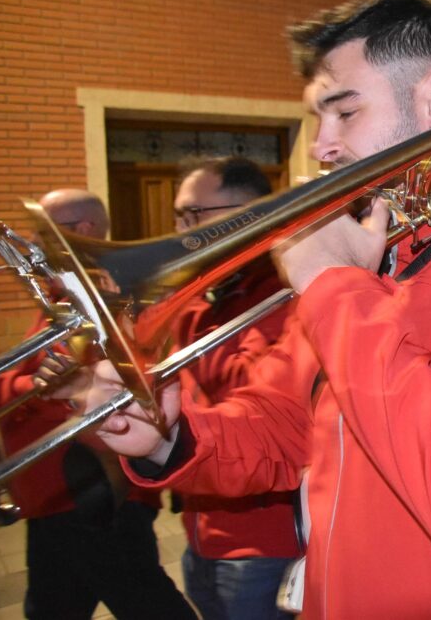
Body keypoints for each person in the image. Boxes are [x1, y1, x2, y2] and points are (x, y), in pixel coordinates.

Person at [85, 0, 431, 619]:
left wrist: (335, 286)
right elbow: (285, 429)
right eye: (318, 118)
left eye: (344, 112)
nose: (320, 147)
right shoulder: (368, 270)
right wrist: (169, 438)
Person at [0, 189, 196, 620]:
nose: (32, 239)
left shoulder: (101, 296)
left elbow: (92, 387)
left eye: (44, 231)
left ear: (82, 232)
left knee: (145, 604)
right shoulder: (63, 295)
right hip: (58, 495)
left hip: (91, 495)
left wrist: (5, 386)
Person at [171, 158, 301, 620]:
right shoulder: (217, 297)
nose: (178, 230)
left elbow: (244, 389)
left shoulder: (280, 291)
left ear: (247, 213)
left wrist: (180, 311)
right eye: (178, 215)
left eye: (192, 215)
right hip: (202, 529)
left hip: (260, 545)